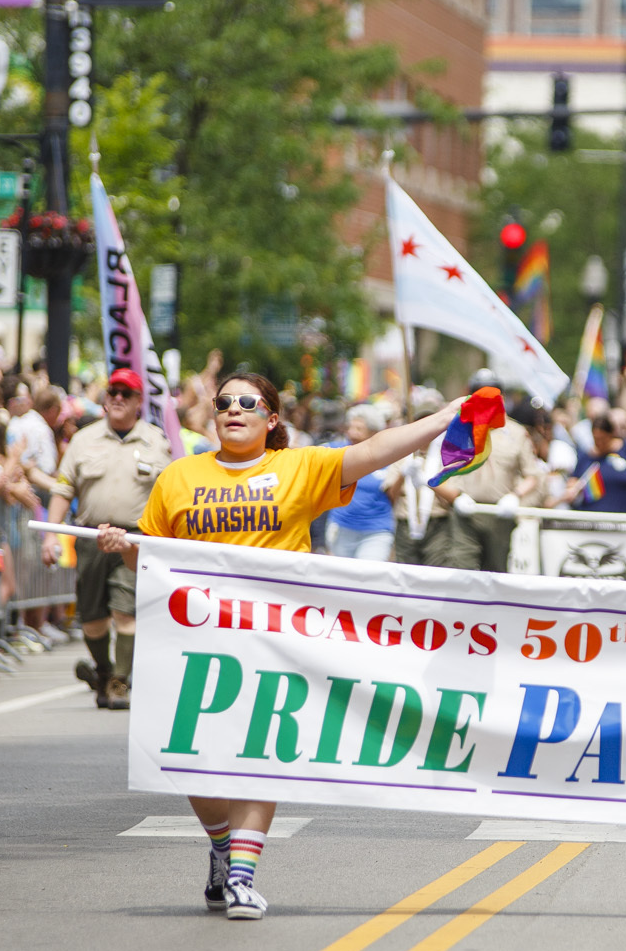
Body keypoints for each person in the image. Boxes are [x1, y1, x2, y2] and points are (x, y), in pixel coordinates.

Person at [107, 368, 466, 920]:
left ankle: (244, 878)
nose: (233, 409)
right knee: (193, 759)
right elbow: (152, 554)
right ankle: (223, 848)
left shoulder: (298, 467)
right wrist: (124, 545)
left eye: (247, 402)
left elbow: (373, 451)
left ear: (271, 418)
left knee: (258, 753)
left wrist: (444, 419)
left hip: (275, 640)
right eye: (224, 401)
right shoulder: (179, 478)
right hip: (197, 639)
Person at [43, 369, 171, 709]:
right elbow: (63, 488)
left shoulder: (156, 441)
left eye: (125, 393)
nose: (116, 397)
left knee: (125, 611)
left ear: (138, 401)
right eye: (112, 391)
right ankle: (102, 671)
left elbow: (170, 494)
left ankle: (119, 682)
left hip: (135, 538)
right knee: (93, 617)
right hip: (91, 536)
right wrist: (51, 536)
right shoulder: (84, 439)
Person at [422, 374, 541, 573]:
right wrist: (456, 497)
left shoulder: (516, 432)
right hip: (464, 513)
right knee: (461, 570)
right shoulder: (457, 429)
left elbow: (533, 475)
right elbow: (435, 475)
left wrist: (515, 496)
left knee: (496, 572)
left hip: (500, 514)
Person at [325, 404, 397, 560]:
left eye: (359, 429)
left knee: (368, 575)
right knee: (339, 578)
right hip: (341, 527)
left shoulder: (387, 457)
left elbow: (394, 496)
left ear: (373, 433)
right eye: (350, 427)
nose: (352, 433)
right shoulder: (336, 451)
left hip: (376, 530)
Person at [563, 418, 626, 513]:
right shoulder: (586, 457)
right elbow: (573, 481)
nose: (599, 443)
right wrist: (573, 487)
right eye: (596, 439)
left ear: (611, 435)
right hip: (591, 515)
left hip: (621, 516)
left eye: (603, 439)